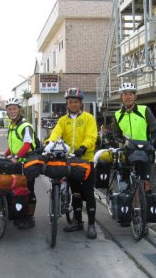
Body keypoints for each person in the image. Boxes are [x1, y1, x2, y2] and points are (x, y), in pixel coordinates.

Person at [47, 87, 98, 239]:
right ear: (67, 104)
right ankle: (77, 221)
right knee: (75, 193)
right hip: (70, 162)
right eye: (70, 102)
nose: (73, 104)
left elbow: (91, 135)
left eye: (76, 101)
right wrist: (49, 143)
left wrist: (84, 147)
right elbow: (56, 133)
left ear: (81, 103)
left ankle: (91, 224)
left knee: (88, 194)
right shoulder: (63, 121)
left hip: (86, 160)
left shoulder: (89, 118)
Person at [111, 82, 156, 193]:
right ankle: (129, 204)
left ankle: (145, 206)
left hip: (144, 150)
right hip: (127, 151)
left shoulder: (144, 110)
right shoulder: (117, 114)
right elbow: (116, 134)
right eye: (125, 94)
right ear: (121, 97)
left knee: (145, 182)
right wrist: (121, 142)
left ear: (135, 96)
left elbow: (155, 129)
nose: (128, 97)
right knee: (126, 184)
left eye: (131, 94)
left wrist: (151, 144)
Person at [4, 97, 38, 229]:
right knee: (17, 188)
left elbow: (27, 144)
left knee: (29, 189)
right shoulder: (11, 126)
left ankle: (30, 217)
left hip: (28, 162)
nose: (12, 111)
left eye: (14, 109)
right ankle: (20, 213)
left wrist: (16, 157)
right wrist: (6, 154)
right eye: (9, 109)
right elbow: (13, 145)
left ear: (19, 110)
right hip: (17, 162)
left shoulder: (26, 126)